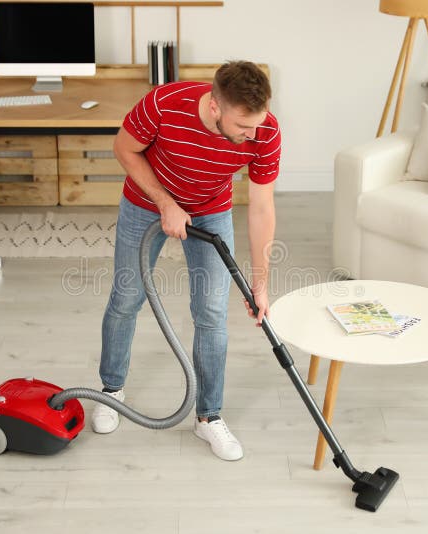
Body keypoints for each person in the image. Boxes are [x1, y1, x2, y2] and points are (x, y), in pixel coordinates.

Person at [92, 60, 281, 461]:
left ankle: (208, 417)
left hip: (212, 209)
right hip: (146, 201)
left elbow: (262, 207)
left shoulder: (265, 131)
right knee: (127, 298)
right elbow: (123, 148)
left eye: (257, 125)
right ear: (215, 107)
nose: (252, 135)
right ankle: (111, 391)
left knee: (211, 312)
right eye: (243, 126)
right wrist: (165, 203)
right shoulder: (164, 104)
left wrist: (261, 283)